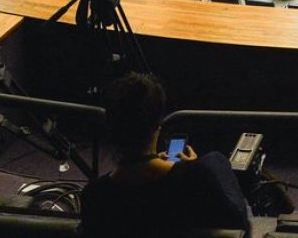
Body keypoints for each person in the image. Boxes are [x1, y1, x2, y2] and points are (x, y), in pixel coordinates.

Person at [79, 73, 249, 238]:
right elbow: (237, 223)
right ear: (157, 127)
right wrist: (193, 167)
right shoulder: (193, 177)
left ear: (110, 128)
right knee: (215, 159)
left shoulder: (94, 196)